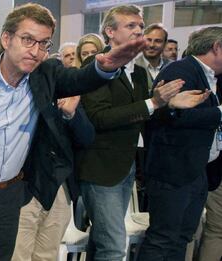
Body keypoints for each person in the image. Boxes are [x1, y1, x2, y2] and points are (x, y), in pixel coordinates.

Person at [0, 2, 150, 260]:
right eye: (28, 40)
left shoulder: (45, 74)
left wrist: (106, 67)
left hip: (10, 195)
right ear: (7, 38)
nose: (36, 51)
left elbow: (78, 80)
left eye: (44, 43)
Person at [75, 5, 200, 261]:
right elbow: (99, 117)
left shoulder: (139, 71)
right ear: (110, 31)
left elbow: (145, 114)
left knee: (102, 240)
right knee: (113, 246)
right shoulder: (96, 64)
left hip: (127, 165)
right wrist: (153, 103)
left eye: (140, 26)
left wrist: (169, 105)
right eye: (130, 26)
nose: (138, 31)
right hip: (101, 168)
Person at [138, 26, 222, 261]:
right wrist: (219, 113)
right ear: (216, 47)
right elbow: (172, 116)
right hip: (172, 171)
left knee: (183, 237)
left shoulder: (211, 76)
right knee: (162, 239)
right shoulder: (180, 69)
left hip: (197, 170)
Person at [11, 57, 95, 261]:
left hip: (59, 187)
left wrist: (71, 114)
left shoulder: (66, 95)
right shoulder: (14, 93)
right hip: (22, 186)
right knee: (17, 255)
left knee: (47, 255)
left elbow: (87, 138)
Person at [135, 23, 171, 91]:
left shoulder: (173, 67)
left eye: (158, 41)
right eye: (148, 40)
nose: (152, 45)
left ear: (165, 44)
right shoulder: (132, 67)